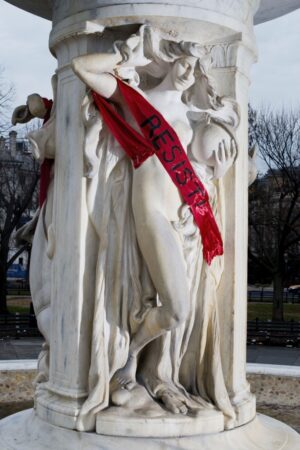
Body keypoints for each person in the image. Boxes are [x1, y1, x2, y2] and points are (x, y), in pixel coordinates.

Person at [72, 26, 238, 430]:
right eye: (182, 60)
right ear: (168, 60)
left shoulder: (192, 115)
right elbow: (82, 67)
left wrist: (223, 161)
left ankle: (146, 367)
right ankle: (128, 360)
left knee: (179, 309)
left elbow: (203, 167)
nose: (187, 70)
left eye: (195, 66)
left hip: (179, 221)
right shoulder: (140, 100)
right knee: (177, 307)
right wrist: (131, 56)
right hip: (148, 212)